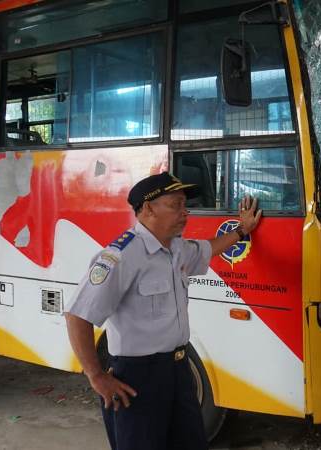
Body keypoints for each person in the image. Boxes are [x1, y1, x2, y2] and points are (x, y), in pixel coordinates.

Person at [64, 172, 262, 450]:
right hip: (137, 378)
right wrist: (96, 376)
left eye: (185, 205)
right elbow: (77, 315)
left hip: (179, 370)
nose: (185, 212)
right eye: (175, 205)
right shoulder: (121, 256)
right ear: (148, 209)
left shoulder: (177, 249)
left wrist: (243, 230)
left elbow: (210, 249)